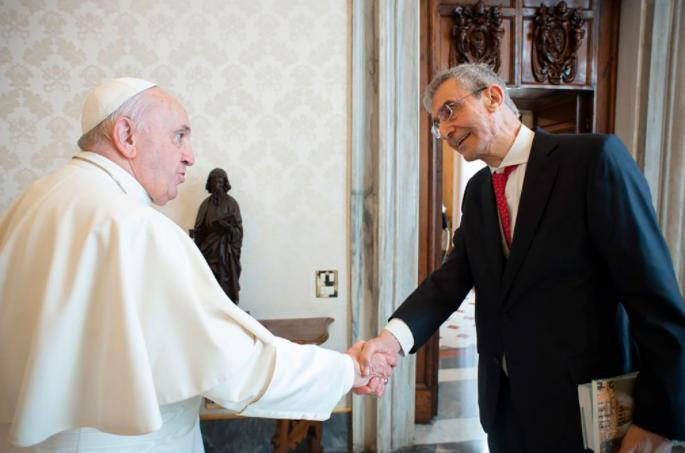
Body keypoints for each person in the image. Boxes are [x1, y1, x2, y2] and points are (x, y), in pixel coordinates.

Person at [0, 78, 393, 452]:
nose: (190, 155)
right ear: (126, 136)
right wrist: (347, 370)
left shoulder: (33, 201)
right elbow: (234, 366)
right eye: (179, 136)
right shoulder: (135, 226)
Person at [356, 64, 685, 452]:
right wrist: (390, 340)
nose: (444, 131)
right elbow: (451, 280)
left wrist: (657, 419)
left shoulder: (592, 161)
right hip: (505, 410)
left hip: (583, 413)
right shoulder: (479, 192)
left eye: (450, 111)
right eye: (436, 124)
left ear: (493, 97)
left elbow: (653, 298)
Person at [192, 168, 243, 304]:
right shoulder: (205, 205)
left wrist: (229, 228)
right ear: (210, 184)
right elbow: (199, 229)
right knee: (209, 282)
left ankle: (230, 309)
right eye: (214, 183)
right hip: (209, 250)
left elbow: (239, 231)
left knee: (226, 284)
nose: (217, 186)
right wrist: (195, 233)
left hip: (226, 254)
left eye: (220, 182)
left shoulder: (232, 204)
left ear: (225, 184)